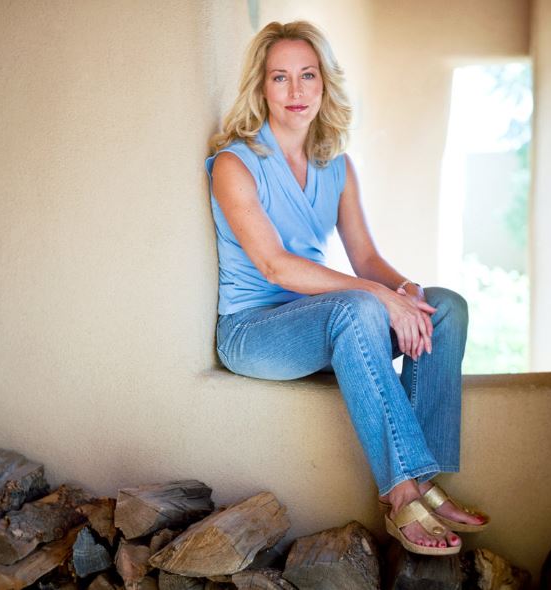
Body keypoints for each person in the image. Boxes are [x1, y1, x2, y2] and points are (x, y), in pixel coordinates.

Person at [205, 20, 489, 556]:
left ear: (324, 83)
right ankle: (403, 493)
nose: (296, 91)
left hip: (329, 320)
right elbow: (274, 266)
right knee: (358, 307)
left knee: (444, 306)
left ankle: (424, 481)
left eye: (307, 75)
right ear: (261, 88)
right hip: (254, 333)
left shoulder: (335, 164)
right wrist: (378, 297)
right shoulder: (234, 164)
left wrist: (402, 287)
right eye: (280, 77)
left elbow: (367, 259)